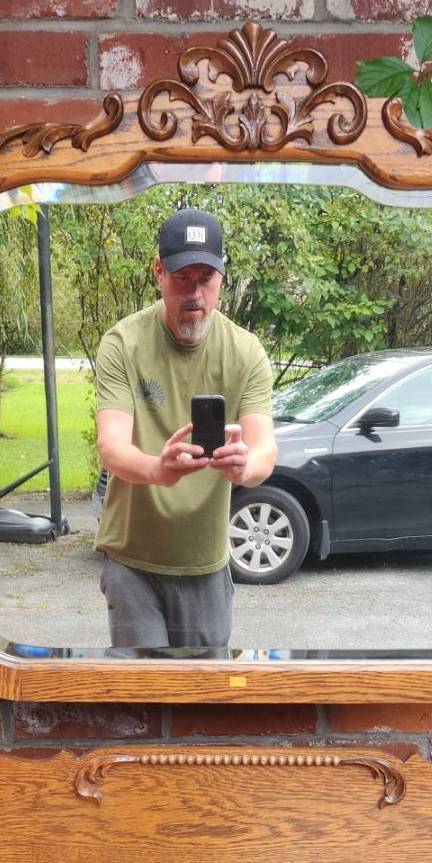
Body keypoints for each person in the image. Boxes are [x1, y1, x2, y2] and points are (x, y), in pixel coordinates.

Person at [93, 207, 278, 654]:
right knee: (143, 701)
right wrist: (159, 469)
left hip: (206, 562)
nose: (194, 293)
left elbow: (265, 449)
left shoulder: (245, 352)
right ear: (159, 271)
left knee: (205, 701)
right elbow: (111, 447)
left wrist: (244, 467)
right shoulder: (123, 343)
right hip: (132, 561)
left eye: (206, 279)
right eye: (182, 278)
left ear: (221, 279)